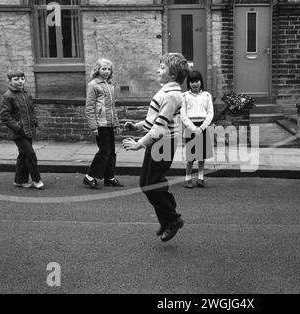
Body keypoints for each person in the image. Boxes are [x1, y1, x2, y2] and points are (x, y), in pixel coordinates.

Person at [123, 52, 189, 242]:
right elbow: (155, 121)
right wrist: (136, 127)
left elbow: (159, 129)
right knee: (147, 184)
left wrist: (139, 144)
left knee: (151, 184)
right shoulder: (167, 92)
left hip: (163, 143)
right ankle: (168, 219)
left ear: (173, 74)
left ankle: (173, 219)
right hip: (160, 141)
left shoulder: (171, 96)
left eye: (162, 67)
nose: (157, 70)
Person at [0, 70, 44, 189]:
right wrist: (18, 127)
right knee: (30, 155)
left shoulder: (26, 94)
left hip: (29, 130)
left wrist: (34, 121)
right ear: (9, 81)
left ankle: (19, 180)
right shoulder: (7, 96)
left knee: (23, 156)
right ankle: (36, 179)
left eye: (22, 79)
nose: (20, 81)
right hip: (18, 133)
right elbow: (5, 116)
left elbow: (31, 110)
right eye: (16, 79)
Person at [83, 58, 123, 189]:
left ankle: (109, 177)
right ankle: (89, 177)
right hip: (100, 124)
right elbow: (89, 107)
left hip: (109, 123)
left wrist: (116, 124)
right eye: (103, 69)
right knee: (104, 151)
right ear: (97, 69)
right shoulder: (93, 85)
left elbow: (112, 107)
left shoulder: (110, 85)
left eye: (108, 69)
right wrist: (93, 126)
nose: (106, 71)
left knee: (111, 151)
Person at [180, 70, 214, 188]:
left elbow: (210, 113)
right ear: (189, 83)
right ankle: (187, 178)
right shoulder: (184, 96)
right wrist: (193, 128)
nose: (195, 84)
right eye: (192, 82)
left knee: (201, 155)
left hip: (202, 126)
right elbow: (183, 115)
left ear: (201, 82)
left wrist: (202, 127)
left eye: (197, 81)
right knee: (191, 155)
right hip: (191, 127)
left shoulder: (206, 96)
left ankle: (200, 178)